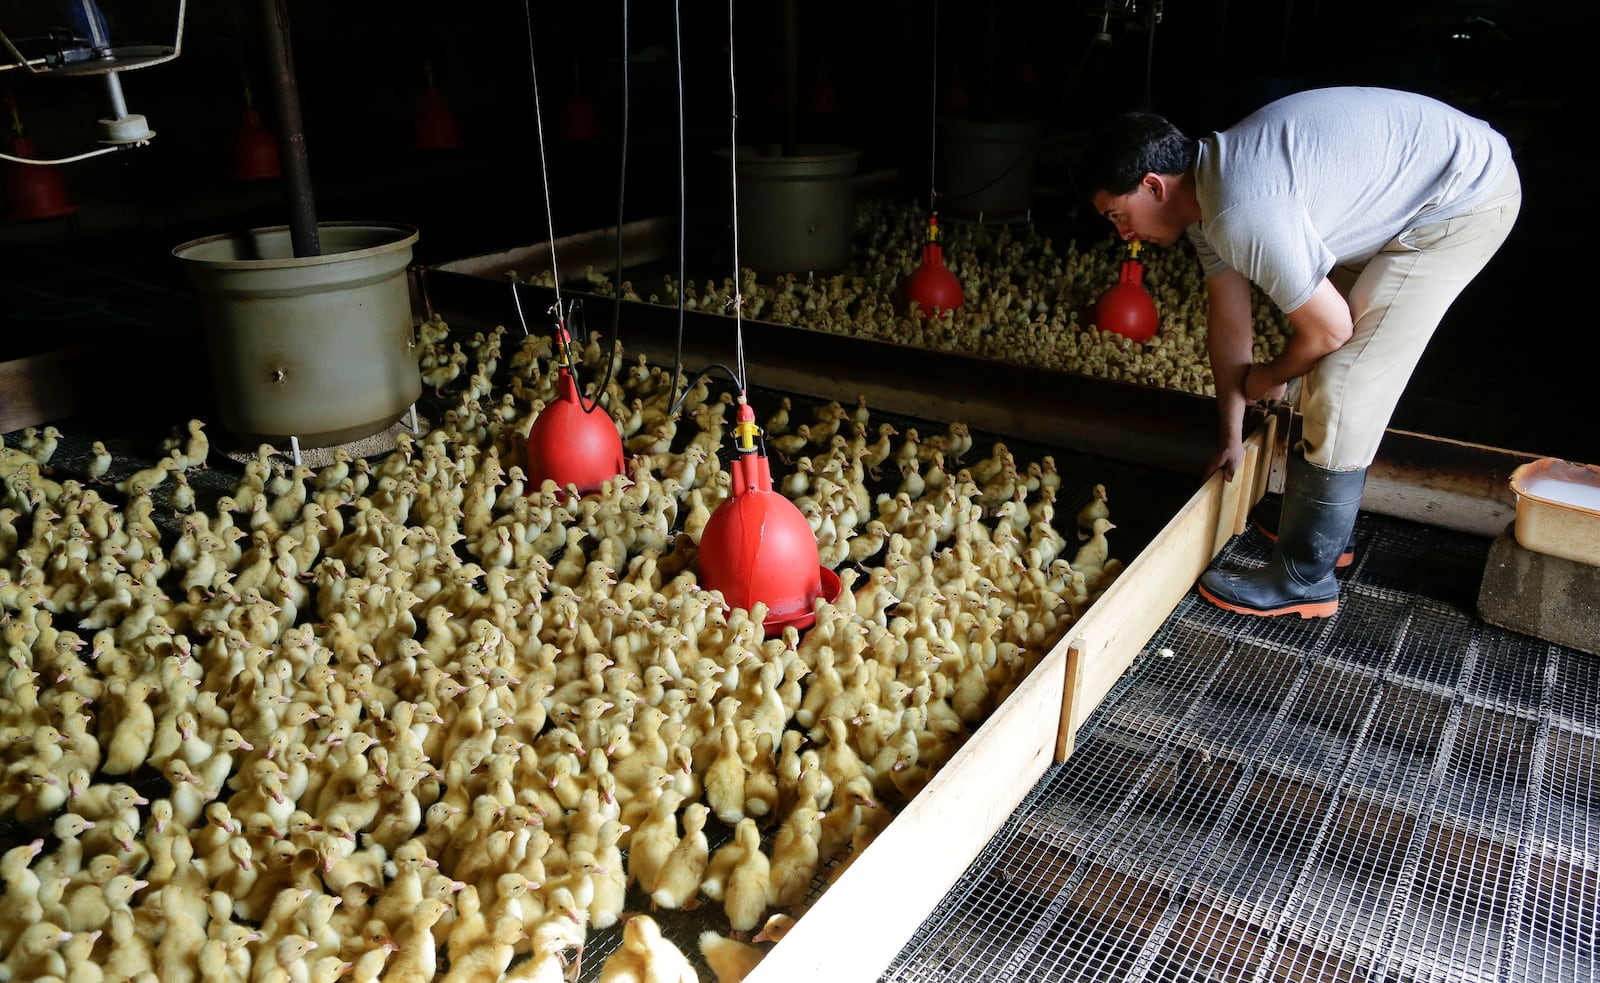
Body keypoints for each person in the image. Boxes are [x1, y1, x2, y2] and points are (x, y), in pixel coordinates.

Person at [1081, 86, 1521, 618]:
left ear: (1152, 186)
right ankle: (1316, 526)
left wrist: (1273, 374)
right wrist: (1230, 437)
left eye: (1115, 215)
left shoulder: (1241, 211)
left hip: (1462, 198)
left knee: (1344, 379)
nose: (1122, 232)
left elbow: (1330, 331)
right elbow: (1229, 323)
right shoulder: (1205, 200)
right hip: (1419, 183)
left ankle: (1305, 578)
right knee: (1327, 362)